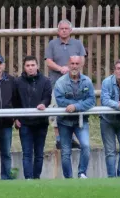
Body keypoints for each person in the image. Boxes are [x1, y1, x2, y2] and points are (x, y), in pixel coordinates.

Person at [45, 19, 86, 150]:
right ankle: (58, 139)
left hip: (74, 81)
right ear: (58, 31)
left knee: (72, 108)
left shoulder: (78, 44)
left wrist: (71, 69)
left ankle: (72, 138)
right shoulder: (52, 44)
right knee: (56, 109)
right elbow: (49, 62)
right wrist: (61, 68)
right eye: (61, 28)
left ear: (70, 30)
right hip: (56, 82)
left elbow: (82, 60)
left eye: (66, 28)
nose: (63, 30)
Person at [53, 55, 95, 179]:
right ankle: (68, 178)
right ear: (68, 64)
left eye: (77, 63)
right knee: (66, 152)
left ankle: (82, 173)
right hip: (64, 122)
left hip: (81, 121)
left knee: (86, 146)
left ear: (81, 65)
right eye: (72, 63)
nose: (74, 66)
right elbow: (60, 100)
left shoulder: (87, 81)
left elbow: (91, 100)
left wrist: (75, 106)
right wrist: (73, 105)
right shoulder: (60, 82)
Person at [12, 55, 52, 180]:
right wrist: (16, 118)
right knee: (27, 153)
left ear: (37, 66)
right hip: (25, 123)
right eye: (28, 66)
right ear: (24, 67)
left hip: (41, 123)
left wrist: (43, 104)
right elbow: (14, 101)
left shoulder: (45, 81)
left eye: (33, 65)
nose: (30, 68)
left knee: (39, 154)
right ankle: (28, 179)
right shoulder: (17, 82)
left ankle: (37, 178)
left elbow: (48, 97)